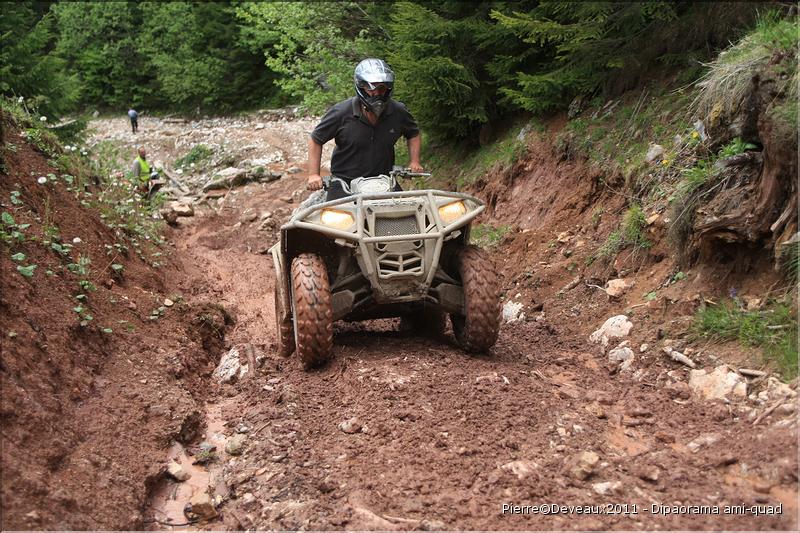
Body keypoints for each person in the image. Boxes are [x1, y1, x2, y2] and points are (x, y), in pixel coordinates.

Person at [307, 58, 423, 201]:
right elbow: (315, 139)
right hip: (344, 183)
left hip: (384, 182)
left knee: (407, 215)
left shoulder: (398, 111)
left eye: (382, 88)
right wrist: (314, 174)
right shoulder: (341, 112)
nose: (377, 93)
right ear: (361, 87)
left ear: (389, 88)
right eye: (371, 88)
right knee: (334, 221)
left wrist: (415, 161)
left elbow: (413, 134)